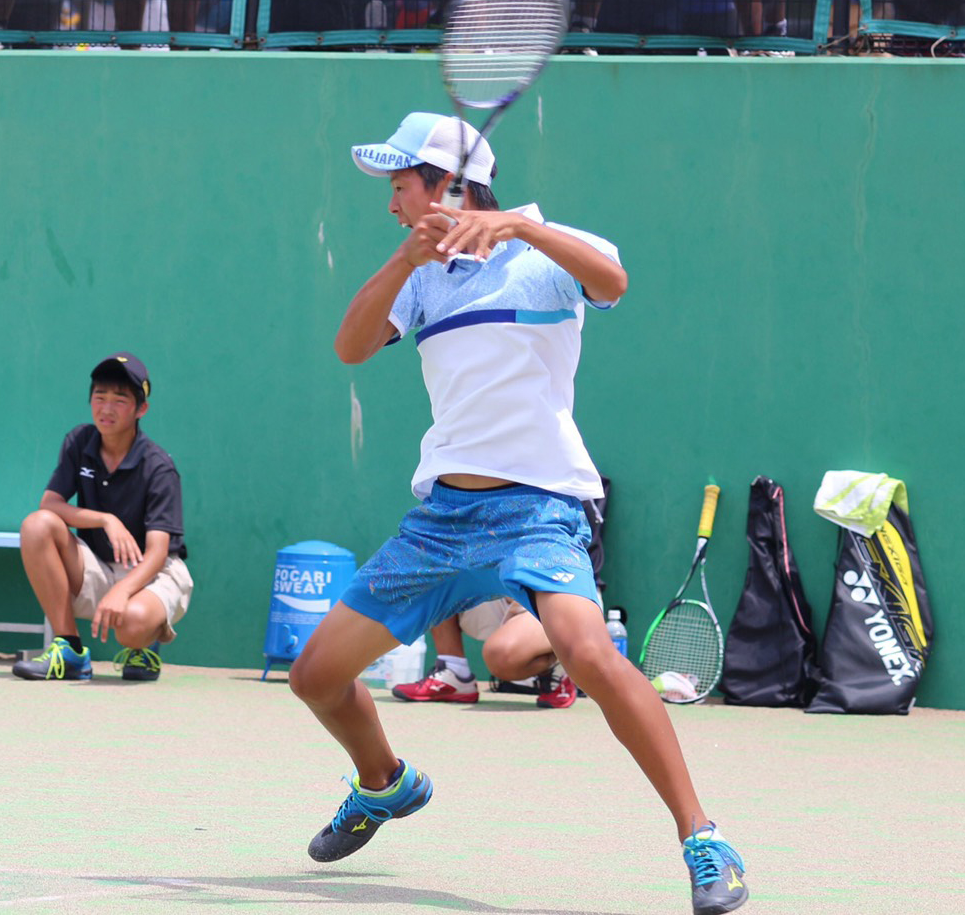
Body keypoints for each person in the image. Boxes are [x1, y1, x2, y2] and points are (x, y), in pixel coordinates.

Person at [287, 111, 749, 915]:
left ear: (447, 185)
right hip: (441, 519)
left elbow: (613, 283)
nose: (392, 204)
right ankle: (383, 784)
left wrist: (511, 227)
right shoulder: (422, 274)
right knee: (315, 676)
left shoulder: (545, 249)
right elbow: (350, 347)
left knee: (590, 654)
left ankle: (703, 837)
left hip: (539, 508)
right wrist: (405, 256)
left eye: (400, 188)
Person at [13, 353, 193, 683]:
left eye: (120, 399)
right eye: (100, 397)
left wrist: (123, 591)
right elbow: (50, 504)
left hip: (154, 573)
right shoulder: (80, 442)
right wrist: (106, 519)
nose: (106, 408)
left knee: (132, 625)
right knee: (36, 525)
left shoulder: (159, 467)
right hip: (97, 563)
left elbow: (156, 554)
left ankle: (144, 645)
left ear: (141, 409)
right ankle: (69, 651)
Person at [391, 597, 580, 708]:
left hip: (553, 594)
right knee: (434, 566)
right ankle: (454, 671)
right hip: (501, 587)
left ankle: (558, 664)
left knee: (501, 657)